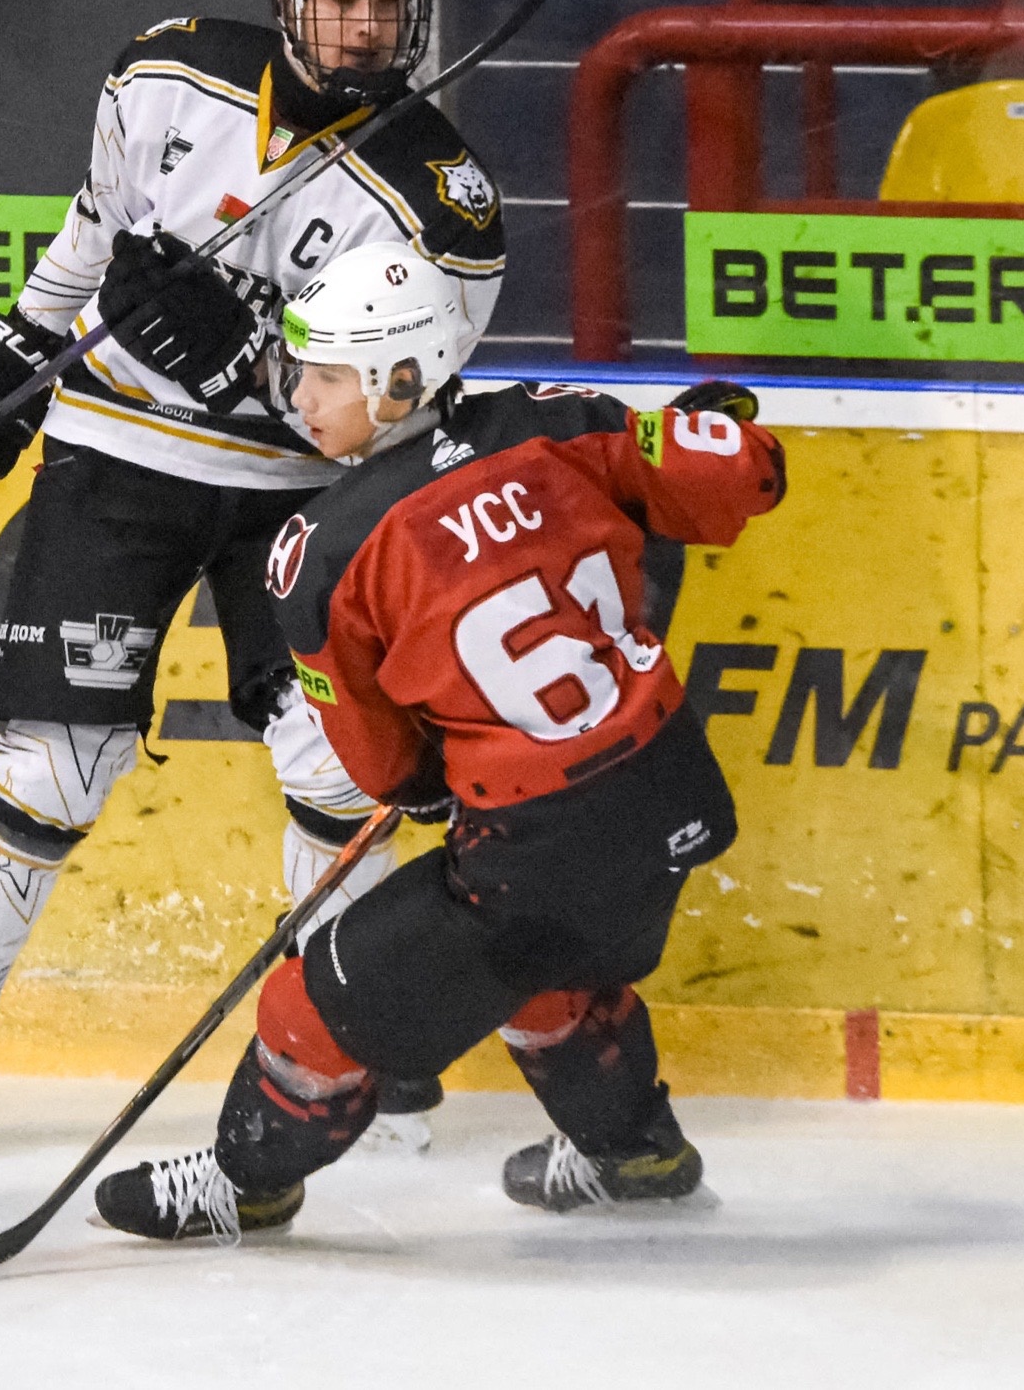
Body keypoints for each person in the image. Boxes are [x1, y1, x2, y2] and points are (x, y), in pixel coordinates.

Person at [0, 0, 509, 1148]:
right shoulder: (163, 78)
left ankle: (351, 1030)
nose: (364, 27)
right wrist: (9, 350)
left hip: (299, 493)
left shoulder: (442, 205)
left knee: (336, 767)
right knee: (55, 764)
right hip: (116, 454)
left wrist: (249, 366)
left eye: (384, 1)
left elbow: (394, 414)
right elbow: (93, 235)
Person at [89, 246, 786, 1240]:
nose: (301, 396)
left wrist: (432, 783)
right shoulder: (560, 422)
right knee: (545, 968)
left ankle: (246, 1186)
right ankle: (639, 1155)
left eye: (327, 375)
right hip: (674, 789)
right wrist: (675, 442)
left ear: (400, 378)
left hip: (536, 846)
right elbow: (749, 476)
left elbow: (389, 769)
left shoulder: (320, 554)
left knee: (305, 1007)